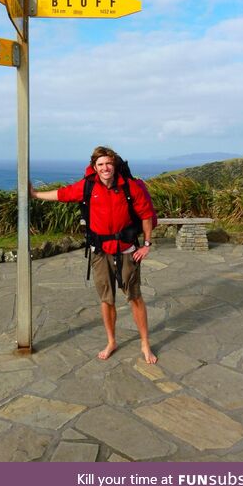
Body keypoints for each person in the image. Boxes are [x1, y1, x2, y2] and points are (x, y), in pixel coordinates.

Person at [30, 146, 157, 364]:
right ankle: (111, 341)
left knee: (134, 297)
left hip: (127, 249)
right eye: (100, 165)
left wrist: (146, 245)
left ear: (114, 164)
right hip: (99, 252)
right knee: (106, 299)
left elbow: (146, 215)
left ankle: (145, 343)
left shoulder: (130, 187)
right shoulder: (88, 186)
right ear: (94, 167)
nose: (105, 168)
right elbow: (62, 194)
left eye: (108, 163)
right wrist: (34, 194)